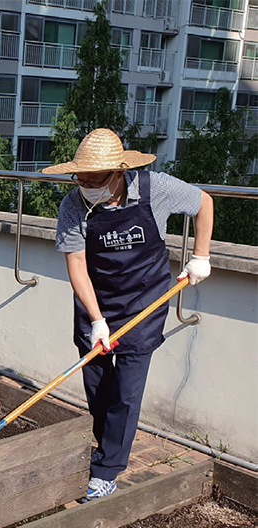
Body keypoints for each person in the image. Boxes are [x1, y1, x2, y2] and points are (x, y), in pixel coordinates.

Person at [43, 128, 214, 502]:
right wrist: (97, 320)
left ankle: (107, 470)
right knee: (98, 387)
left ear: (118, 173)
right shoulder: (73, 205)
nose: (84, 186)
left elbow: (204, 202)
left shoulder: (157, 189)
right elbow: (77, 266)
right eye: (79, 178)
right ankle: (109, 446)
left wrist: (201, 255)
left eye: (93, 180)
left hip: (144, 303)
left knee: (125, 392)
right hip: (96, 304)